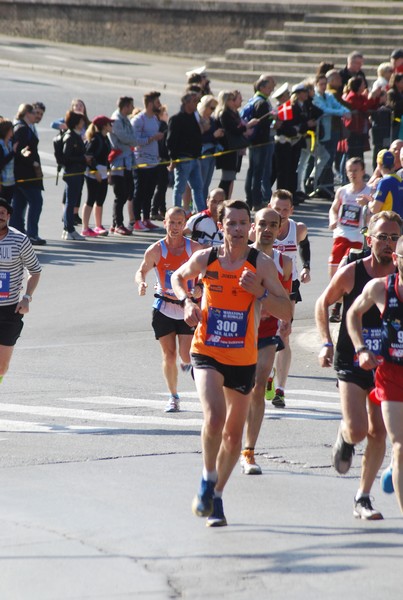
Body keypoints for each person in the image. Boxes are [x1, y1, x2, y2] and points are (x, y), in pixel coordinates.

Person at [171, 199, 292, 527]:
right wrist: (186, 303)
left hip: (243, 357)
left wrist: (261, 294)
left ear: (249, 227)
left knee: (233, 437)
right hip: (207, 350)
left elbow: (287, 310)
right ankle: (207, 478)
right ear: (221, 226)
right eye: (231, 223)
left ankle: (217, 495)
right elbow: (178, 277)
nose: (237, 229)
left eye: (243, 223)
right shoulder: (206, 258)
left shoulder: (262, 265)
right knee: (214, 418)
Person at [315, 211, 402, 520]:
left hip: (386, 363)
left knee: (379, 433)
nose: (389, 244)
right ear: (369, 239)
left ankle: (362, 497)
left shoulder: (400, 275)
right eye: (382, 237)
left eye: (394, 238)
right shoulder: (354, 272)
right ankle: (345, 435)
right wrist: (325, 341)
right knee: (358, 429)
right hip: (352, 358)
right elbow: (322, 303)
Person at [347, 234, 403, 514]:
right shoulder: (381, 288)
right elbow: (352, 314)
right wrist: (361, 348)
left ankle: (394, 465)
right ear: (397, 260)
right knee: (396, 441)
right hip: (391, 374)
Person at [241, 207, 292, 475]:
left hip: (268, 331)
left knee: (259, 387)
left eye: (274, 225)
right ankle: (230, 440)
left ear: (280, 228)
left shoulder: (284, 262)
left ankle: (249, 451)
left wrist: (287, 320)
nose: (268, 230)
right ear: (254, 227)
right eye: (262, 224)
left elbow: (287, 297)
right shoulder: (241, 256)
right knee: (241, 390)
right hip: (239, 330)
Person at [135, 207, 201, 413]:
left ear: (185, 225)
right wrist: (141, 283)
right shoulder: (156, 250)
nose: (175, 227)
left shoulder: (195, 249)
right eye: (171, 222)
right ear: (165, 223)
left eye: (179, 223)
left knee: (186, 354)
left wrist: (201, 288)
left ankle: (191, 370)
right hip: (163, 306)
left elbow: (210, 274)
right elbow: (141, 270)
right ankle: (173, 397)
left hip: (187, 307)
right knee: (169, 355)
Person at [270, 189, 311, 408]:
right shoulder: (260, 229)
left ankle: (280, 390)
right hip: (265, 286)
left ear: (292, 210)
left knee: (284, 333)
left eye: (286, 209)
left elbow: (305, 244)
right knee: (263, 335)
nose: (281, 213)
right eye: (277, 208)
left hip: (289, 286)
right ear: (270, 207)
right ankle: (267, 375)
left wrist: (306, 267)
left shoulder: (298, 229)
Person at [0, 198, 41, 384]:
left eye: (2, 213)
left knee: (2, 366)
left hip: (9, 310)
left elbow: (35, 271)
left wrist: (26, 297)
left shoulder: (19, 240)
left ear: (8, 216)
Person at [328, 157, 370, 322]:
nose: (352, 174)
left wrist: (367, 204)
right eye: (349, 170)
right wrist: (332, 220)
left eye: (355, 170)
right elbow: (334, 208)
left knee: (351, 273)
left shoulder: (369, 191)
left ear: (362, 171)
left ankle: (340, 308)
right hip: (341, 235)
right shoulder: (342, 191)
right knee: (334, 272)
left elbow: (375, 212)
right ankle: (338, 305)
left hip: (359, 237)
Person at [10, 103, 46, 245]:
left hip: (21, 174)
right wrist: (33, 162)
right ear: (27, 114)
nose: (35, 115)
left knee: (19, 203)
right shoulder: (22, 129)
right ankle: (32, 234)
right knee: (36, 201)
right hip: (26, 173)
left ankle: (15, 234)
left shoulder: (23, 127)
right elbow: (20, 152)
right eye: (33, 113)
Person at [166, 92, 205, 213]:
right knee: (179, 188)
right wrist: (173, 159)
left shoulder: (194, 117)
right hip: (183, 159)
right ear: (186, 103)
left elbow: (198, 136)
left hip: (195, 158)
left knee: (198, 188)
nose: (196, 104)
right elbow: (171, 141)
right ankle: (176, 212)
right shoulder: (176, 119)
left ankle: (201, 214)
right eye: (194, 101)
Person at [131, 91, 164, 232]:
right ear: (150, 104)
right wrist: (152, 138)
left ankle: (146, 219)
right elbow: (134, 140)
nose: (160, 105)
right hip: (141, 161)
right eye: (157, 102)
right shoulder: (138, 120)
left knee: (149, 191)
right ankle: (136, 220)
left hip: (153, 162)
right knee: (140, 192)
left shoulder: (155, 119)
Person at [243, 74, 276, 210]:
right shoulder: (261, 102)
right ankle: (255, 202)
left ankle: (250, 199)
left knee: (253, 171)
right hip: (260, 142)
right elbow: (262, 124)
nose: (272, 90)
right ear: (262, 87)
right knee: (257, 173)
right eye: (270, 87)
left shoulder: (254, 99)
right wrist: (272, 120)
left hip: (255, 142)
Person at [109, 96, 137, 236]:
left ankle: (116, 223)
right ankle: (118, 224)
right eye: (131, 106)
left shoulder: (125, 119)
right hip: (119, 163)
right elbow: (125, 138)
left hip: (127, 162)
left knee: (127, 192)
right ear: (125, 106)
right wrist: (133, 141)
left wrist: (133, 140)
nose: (133, 108)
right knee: (120, 195)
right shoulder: (116, 120)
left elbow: (132, 136)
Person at [61, 111, 91, 241]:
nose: (83, 123)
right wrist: (83, 158)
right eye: (81, 121)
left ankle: (67, 228)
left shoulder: (76, 135)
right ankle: (69, 229)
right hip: (72, 173)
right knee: (70, 202)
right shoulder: (70, 136)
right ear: (76, 123)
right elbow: (66, 158)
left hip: (77, 172)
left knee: (71, 201)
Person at [82, 115, 113, 237]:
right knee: (91, 199)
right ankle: (85, 228)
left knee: (100, 200)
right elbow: (89, 157)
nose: (111, 126)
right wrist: (95, 172)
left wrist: (109, 171)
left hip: (103, 171)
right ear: (104, 126)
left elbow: (107, 158)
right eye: (109, 124)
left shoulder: (106, 138)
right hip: (93, 173)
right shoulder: (95, 140)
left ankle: (98, 225)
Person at [360, 149, 403, 217]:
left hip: (388, 223)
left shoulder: (385, 181)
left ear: (379, 165)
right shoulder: (400, 180)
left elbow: (375, 208)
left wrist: (367, 202)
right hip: (399, 224)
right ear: (394, 164)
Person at [0, 119, 17, 203]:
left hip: (11, 182)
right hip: (2, 183)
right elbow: (2, 163)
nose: (12, 132)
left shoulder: (10, 143)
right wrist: (13, 152)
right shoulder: (0, 145)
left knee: (7, 206)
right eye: (11, 130)